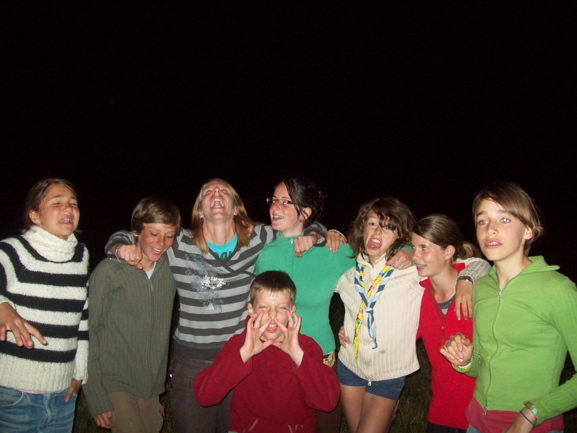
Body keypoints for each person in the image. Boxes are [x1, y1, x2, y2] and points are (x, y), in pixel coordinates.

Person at [104, 178, 338, 433]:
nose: (215, 192)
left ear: (236, 207)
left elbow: (298, 225)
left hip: (242, 355)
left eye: (223, 190)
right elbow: (132, 234)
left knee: (237, 425)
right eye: (207, 191)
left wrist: (319, 234)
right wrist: (119, 248)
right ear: (199, 211)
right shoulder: (178, 243)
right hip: (192, 360)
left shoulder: (258, 238)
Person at [255, 177, 412, 433]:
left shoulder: (333, 250)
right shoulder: (265, 254)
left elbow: (375, 258)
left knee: (326, 425)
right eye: (274, 200)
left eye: (285, 201)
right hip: (274, 356)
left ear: (305, 212)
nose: (275, 207)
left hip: (321, 357)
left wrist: (408, 250)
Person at [336, 197, 490, 433]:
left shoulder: (413, 272)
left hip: (389, 372)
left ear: (400, 236)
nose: (377, 231)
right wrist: (349, 327)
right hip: (350, 365)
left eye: (388, 227)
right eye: (373, 223)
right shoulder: (348, 273)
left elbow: (478, 263)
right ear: (362, 227)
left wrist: (467, 279)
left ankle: (387, 411)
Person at [441, 182, 577, 433]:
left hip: (534, 427)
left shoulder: (557, 289)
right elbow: (479, 365)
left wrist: (533, 412)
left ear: (528, 230)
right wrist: (465, 360)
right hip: (477, 423)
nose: (490, 229)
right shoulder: (482, 288)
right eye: (482, 221)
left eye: (504, 220)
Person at [193, 270, 340, 433]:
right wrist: (244, 354)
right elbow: (204, 396)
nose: (272, 315)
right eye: (264, 307)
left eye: (281, 308)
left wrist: (297, 355)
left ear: (292, 311)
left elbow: (328, 402)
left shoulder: (306, 347)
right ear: (251, 310)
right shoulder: (238, 345)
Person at [83, 197, 181, 433]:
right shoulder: (109, 271)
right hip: (114, 384)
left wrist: (156, 392)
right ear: (136, 231)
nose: (161, 243)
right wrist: (95, 394)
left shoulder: (172, 270)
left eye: (169, 235)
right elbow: (89, 332)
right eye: (154, 233)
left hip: (151, 389)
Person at [0, 178, 89, 433]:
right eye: (56, 202)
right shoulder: (14, 251)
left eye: (73, 203)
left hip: (62, 395)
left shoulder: (80, 256)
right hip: (15, 395)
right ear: (35, 216)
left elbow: (81, 318)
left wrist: (79, 373)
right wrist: (2, 306)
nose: (68, 208)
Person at [412, 214, 485, 433]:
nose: (415, 256)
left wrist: (467, 279)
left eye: (424, 248)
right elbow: (398, 337)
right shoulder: (417, 296)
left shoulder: (480, 289)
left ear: (448, 251)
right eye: (413, 247)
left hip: (483, 412)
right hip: (442, 410)